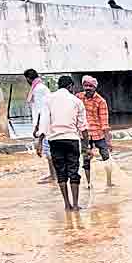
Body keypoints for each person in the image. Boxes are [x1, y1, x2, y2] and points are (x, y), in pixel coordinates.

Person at [37, 76, 88, 211]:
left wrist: (40, 142)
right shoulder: (77, 101)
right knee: (73, 171)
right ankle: (76, 205)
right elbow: (83, 127)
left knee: (61, 172)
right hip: (72, 139)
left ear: (58, 86)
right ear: (70, 86)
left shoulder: (48, 99)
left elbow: (44, 121)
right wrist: (86, 146)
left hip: (55, 141)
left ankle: (67, 204)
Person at [76, 76, 114, 188]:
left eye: (90, 86)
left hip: (99, 134)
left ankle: (109, 181)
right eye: (86, 85)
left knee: (106, 157)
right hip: (84, 134)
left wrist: (108, 141)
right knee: (86, 159)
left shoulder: (100, 101)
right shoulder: (78, 97)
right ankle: (88, 183)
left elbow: (104, 122)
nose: (87, 88)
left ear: (95, 88)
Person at [24, 68, 55, 183]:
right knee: (49, 152)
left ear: (28, 78)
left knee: (48, 151)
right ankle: (53, 174)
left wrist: (37, 128)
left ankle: (53, 176)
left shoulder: (38, 89)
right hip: (46, 122)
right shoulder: (40, 87)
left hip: (44, 124)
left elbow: (41, 110)